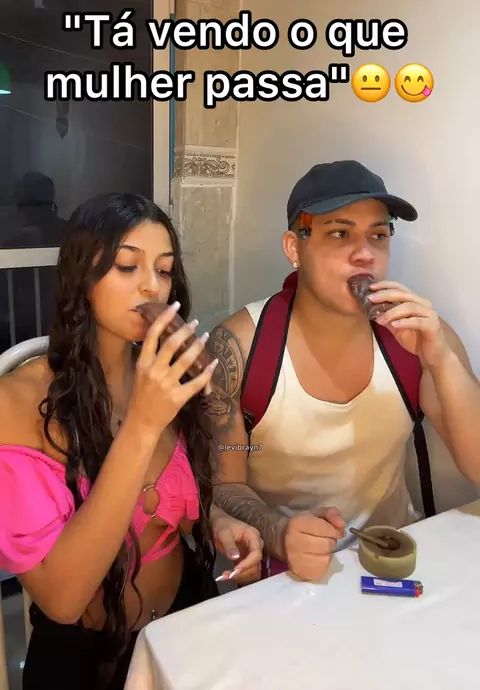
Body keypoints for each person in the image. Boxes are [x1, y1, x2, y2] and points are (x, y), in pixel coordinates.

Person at [0, 192, 263, 690]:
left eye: (164, 270)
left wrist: (219, 522)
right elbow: (62, 599)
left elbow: (177, 505)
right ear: (81, 276)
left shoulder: (164, 373)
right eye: (127, 266)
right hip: (88, 659)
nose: (152, 286)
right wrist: (142, 425)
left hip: (183, 627)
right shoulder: (15, 404)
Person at [207, 159, 480, 582]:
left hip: (391, 562)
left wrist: (440, 358)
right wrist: (278, 532)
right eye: (340, 233)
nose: (365, 253)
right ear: (294, 248)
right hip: (277, 576)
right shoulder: (239, 348)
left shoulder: (418, 336)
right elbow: (224, 486)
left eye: (379, 235)